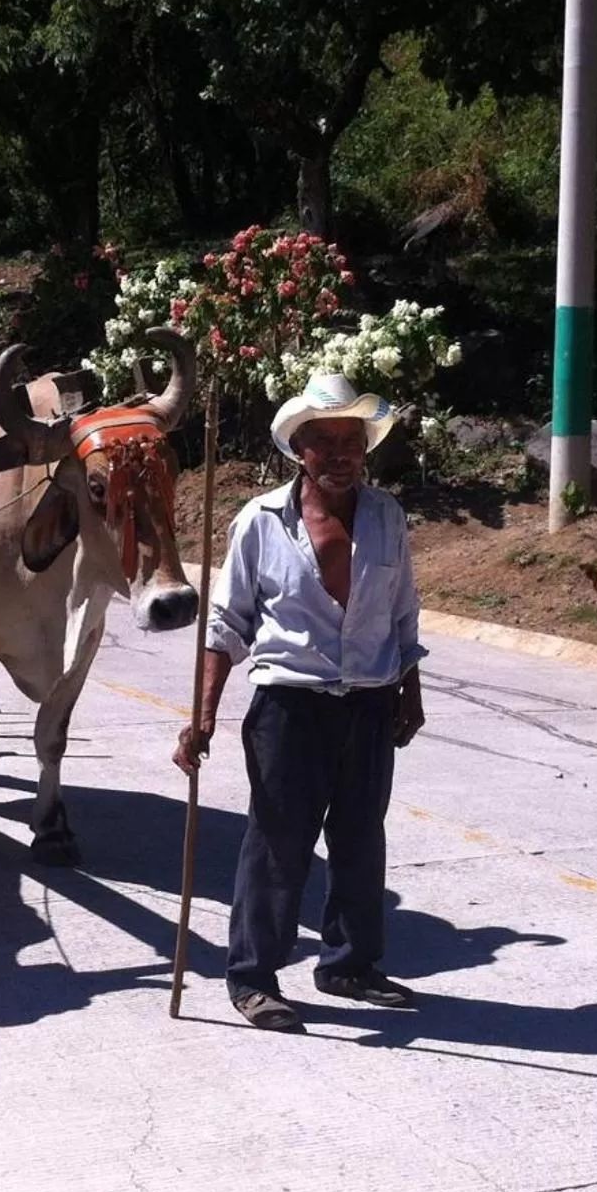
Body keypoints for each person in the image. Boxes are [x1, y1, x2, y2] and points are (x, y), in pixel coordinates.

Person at [173, 372, 427, 1033]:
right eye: (328, 442)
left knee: (360, 839)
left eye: (354, 440)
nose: (343, 453)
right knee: (278, 844)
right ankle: (252, 976)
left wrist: (410, 687)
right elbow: (226, 625)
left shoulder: (386, 516)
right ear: (300, 450)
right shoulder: (259, 523)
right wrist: (203, 716)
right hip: (290, 706)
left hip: (369, 704)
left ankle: (347, 963)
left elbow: (403, 614)